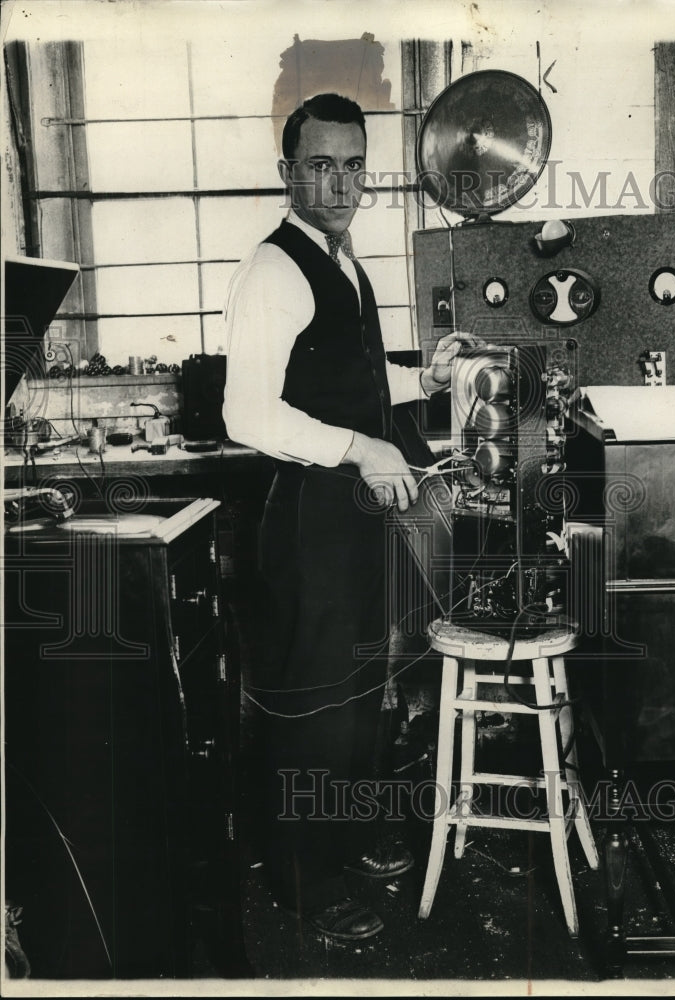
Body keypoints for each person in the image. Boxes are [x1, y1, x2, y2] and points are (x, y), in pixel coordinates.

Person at [222, 92, 473, 943]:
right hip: (310, 516)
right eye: (320, 165)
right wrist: (364, 450)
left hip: (357, 514)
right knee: (314, 699)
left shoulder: (343, 260)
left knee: (361, 693)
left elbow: (352, 384)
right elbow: (248, 416)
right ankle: (300, 877)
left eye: (354, 166)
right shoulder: (274, 270)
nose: (339, 183)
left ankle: (345, 836)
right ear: (288, 170)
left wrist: (423, 385)